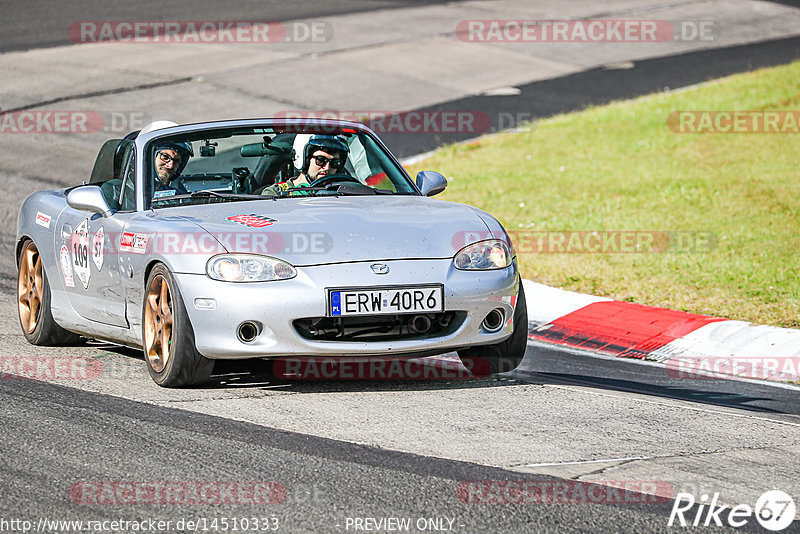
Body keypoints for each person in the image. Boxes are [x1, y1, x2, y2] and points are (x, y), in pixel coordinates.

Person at [261, 134, 349, 196]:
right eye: (321, 160)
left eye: (335, 163)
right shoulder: (275, 193)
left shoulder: (344, 193)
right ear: (303, 159)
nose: (327, 167)